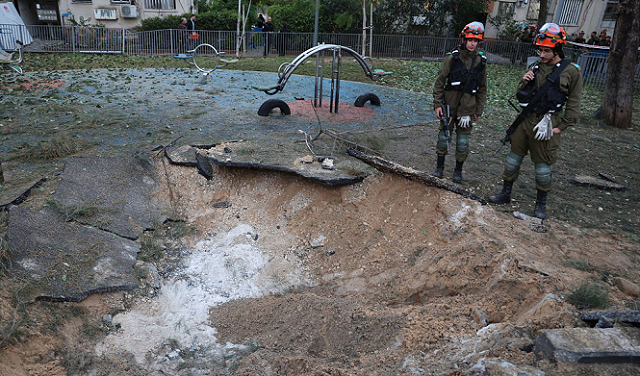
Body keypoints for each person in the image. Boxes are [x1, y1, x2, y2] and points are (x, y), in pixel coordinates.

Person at [488, 23, 583, 220]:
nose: (541, 54)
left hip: (548, 121)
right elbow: (521, 92)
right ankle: (505, 193)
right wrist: (524, 80)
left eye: (546, 50)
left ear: (557, 49)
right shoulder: (536, 66)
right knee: (512, 160)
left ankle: (541, 204)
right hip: (526, 120)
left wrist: (560, 127)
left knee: (542, 167)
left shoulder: (572, 71)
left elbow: (574, 103)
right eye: (540, 49)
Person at [431, 21, 487, 183]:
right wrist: (437, 104)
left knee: (462, 143)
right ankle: (439, 168)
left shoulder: (480, 62)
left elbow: (483, 88)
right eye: (470, 40)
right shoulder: (452, 58)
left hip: (467, 110)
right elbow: (440, 82)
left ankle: (458, 171)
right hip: (448, 107)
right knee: (443, 139)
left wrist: (478, 110)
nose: (472, 43)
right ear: (463, 39)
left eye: (475, 41)